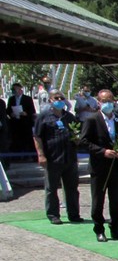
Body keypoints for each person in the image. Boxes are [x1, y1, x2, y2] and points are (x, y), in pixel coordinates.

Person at [79, 89, 118, 242]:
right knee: (98, 200)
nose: (108, 103)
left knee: (116, 200)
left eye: (110, 100)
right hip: (99, 166)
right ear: (99, 102)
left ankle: (116, 229)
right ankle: (99, 229)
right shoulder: (92, 119)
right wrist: (102, 151)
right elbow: (84, 142)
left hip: (115, 165)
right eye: (105, 101)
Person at [32, 90, 82, 225]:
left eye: (62, 98)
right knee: (51, 188)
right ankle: (53, 214)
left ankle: (74, 214)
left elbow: (77, 133)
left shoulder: (69, 117)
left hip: (69, 157)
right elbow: (37, 137)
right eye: (56, 98)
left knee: (72, 188)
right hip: (53, 158)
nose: (60, 100)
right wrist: (41, 155)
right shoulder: (44, 117)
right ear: (50, 100)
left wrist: (77, 139)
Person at [6, 82, 37, 162]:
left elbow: (32, 110)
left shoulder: (27, 99)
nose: (14, 91)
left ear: (20, 90)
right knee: (16, 140)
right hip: (15, 123)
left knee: (28, 140)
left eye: (15, 89)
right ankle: (16, 158)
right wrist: (11, 113)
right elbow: (8, 109)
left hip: (25, 123)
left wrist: (26, 113)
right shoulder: (11, 99)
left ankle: (32, 157)